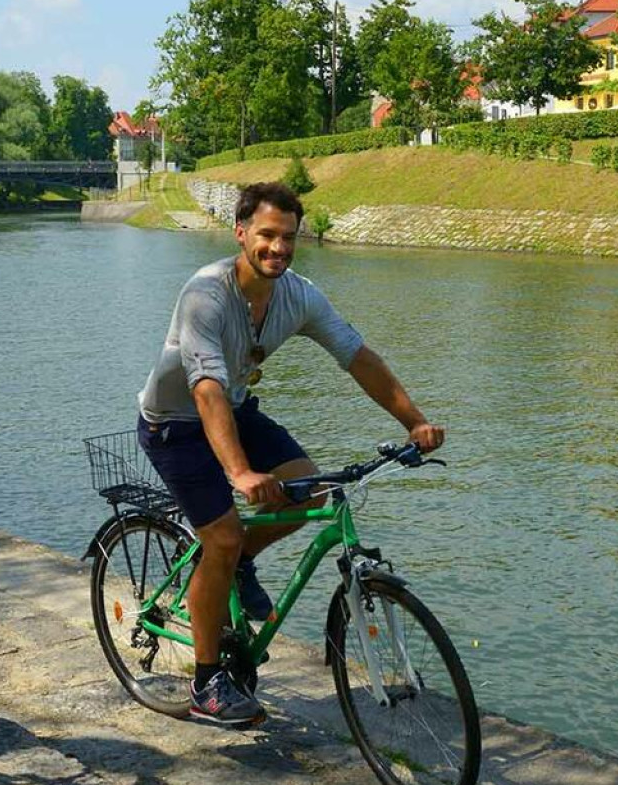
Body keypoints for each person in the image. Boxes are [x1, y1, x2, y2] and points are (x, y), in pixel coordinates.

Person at [136, 181, 445, 725]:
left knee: (313, 488)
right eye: (267, 235)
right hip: (176, 425)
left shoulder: (299, 296)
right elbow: (205, 387)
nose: (278, 247)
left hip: (234, 409)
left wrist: (414, 420)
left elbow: (357, 356)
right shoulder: (205, 294)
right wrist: (239, 472)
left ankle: (237, 567)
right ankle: (208, 684)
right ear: (241, 233)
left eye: (288, 237)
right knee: (224, 536)